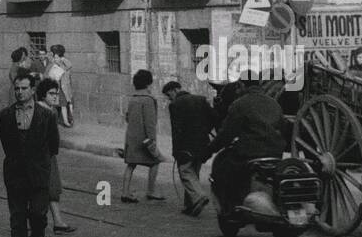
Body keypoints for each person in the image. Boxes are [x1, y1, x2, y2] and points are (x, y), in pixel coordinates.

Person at [0, 71, 58, 237]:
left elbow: (53, 145)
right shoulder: (5, 115)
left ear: (32, 90)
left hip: (39, 174)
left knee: (38, 213)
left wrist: (40, 162)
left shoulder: (47, 116)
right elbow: (6, 144)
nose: (20, 92)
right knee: (17, 218)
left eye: (24, 88)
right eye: (17, 89)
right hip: (15, 174)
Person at [207, 71, 285, 211]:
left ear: (242, 85)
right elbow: (282, 127)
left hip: (251, 153)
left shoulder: (240, 104)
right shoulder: (274, 104)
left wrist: (210, 149)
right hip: (275, 153)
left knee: (223, 168)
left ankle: (231, 207)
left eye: (239, 86)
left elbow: (227, 133)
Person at [162, 80, 213, 217]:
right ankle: (189, 205)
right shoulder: (201, 100)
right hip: (202, 143)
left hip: (186, 145)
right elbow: (212, 118)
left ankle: (199, 196)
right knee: (193, 173)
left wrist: (176, 151)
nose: (169, 98)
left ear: (175, 90)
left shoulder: (175, 105)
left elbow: (176, 130)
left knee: (185, 172)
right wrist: (204, 131)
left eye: (168, 95)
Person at [35, 78, 75, 233]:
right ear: (43, 94)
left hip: (49, 156)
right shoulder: (40, 111)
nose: (55, 97)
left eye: (57, 94)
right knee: (40, 190)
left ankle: (58, 222)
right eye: (51, 94)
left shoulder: (50, 111)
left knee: (52, 189)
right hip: (40, 158)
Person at [120, 70, 164, 203]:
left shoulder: (132, 98)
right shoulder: (148, 100)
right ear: (148, 84)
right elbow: (150, 123)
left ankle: (125, 192)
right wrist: (152, 140)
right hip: (145, 139)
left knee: (131, 165)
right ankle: (151, 191)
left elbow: (128, 117)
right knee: (155, 162)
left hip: (131, 137)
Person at [45, 45, 75, 127]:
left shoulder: (64, 64)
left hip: (65, 88)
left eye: (57, 57)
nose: (55, 59)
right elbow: (48, 74)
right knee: (60, 105)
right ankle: (65, 121)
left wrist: (62, 60)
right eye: (55, 57)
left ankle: (69, 119)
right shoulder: (52, 64)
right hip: (57, 87)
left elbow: (69, 65)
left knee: (67, 104)